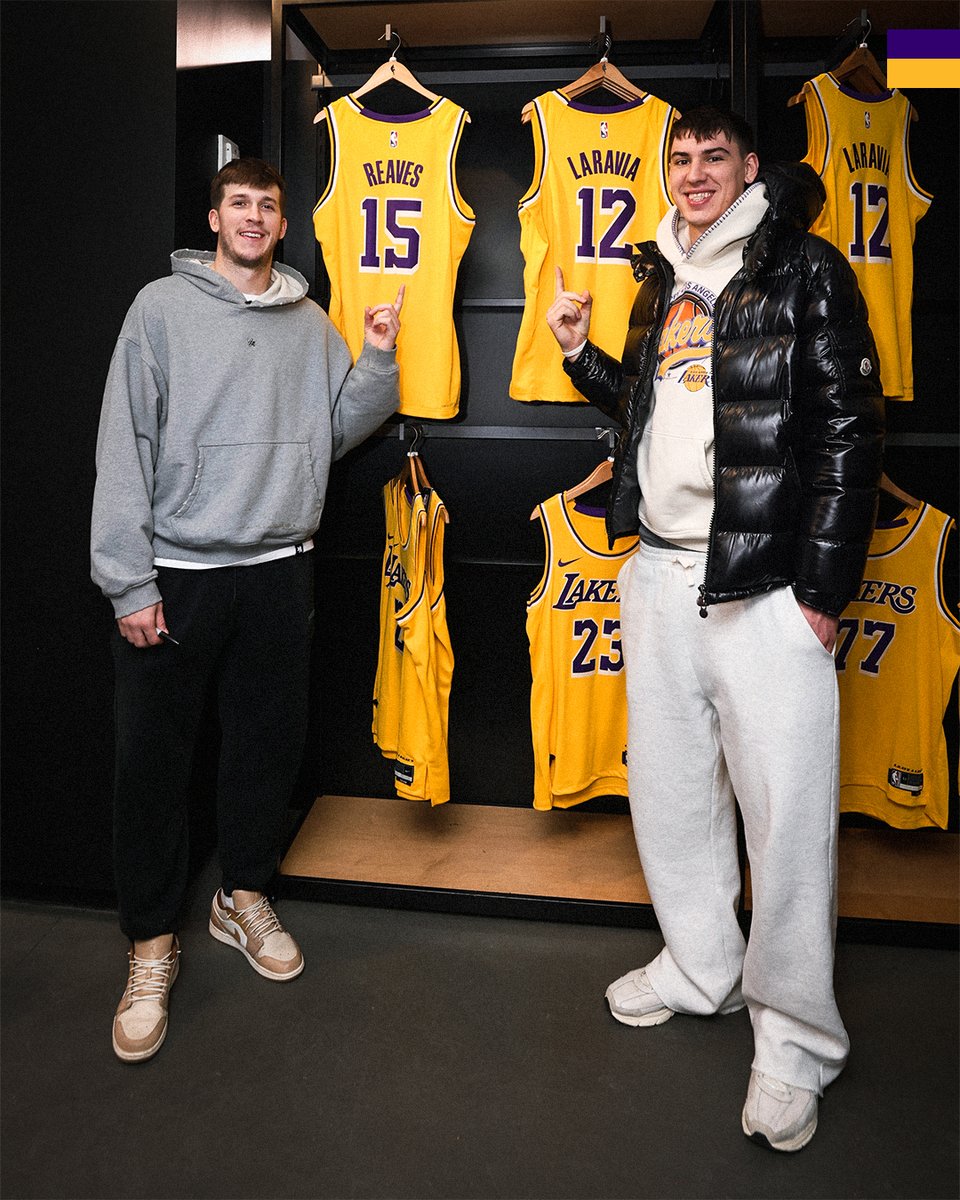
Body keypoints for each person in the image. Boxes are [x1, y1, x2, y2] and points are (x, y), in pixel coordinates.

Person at [547, 107, 884, 1152]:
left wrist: (822, 595)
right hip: (654, 571)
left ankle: (795, 1044)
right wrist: (582, 359)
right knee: (674, 793)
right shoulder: (663, 275)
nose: (694, 173)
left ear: (748, 168)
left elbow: (847, 433)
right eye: (680, 159)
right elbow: (661, 411)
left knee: (785, 825)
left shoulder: (808, 267)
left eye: (712, 158)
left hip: (764, 586)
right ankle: (702, 969)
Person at [91, 158, 403, 1063]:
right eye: (241, 203)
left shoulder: (311, 322)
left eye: (269, 206)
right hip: (176, 572)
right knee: (152, 764)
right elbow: (124, 442)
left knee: (267, 747)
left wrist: (376, 354)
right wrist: (128, 581)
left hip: (279, 568)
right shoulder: (159, 309)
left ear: (280, 222)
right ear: (215, 216)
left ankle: (242, 897)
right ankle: (151, 944)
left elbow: (338, 429)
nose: (255, 218)